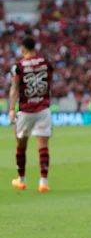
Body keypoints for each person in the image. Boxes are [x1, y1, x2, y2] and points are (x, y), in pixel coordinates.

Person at [9, 37, 53, 192]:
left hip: (26, 110)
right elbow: (49, 82)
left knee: (21, 145)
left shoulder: (18, 66)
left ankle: (21, 180)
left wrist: (12, 109)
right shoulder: (46, 62)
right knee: (43, 146)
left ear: (23, 49)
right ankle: (43, 182)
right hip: (43, 108)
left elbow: (15, 88)